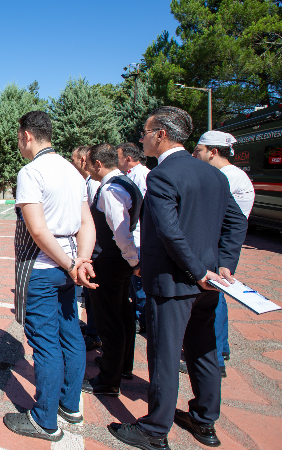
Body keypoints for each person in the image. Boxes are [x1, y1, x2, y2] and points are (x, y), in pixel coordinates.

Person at [108, 107, 247, 450]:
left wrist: (197, 271)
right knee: (203, 350)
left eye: (145, 132)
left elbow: (170, 232)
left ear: (161, 134)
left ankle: (155, 430)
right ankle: (204, 420)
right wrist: (224, 264)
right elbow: (237, 221)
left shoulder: (162, 175)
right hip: (208, 281)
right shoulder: (214, 174)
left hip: (174, 282)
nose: (141, 139)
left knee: (166, 357)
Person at [4, 111, 97, 442]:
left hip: (43, 267)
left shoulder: (32, 172)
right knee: (70, 335)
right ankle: (69, 404)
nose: (19, 143)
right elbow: (86, 223)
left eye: (19, 137)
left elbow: (39, 231)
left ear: (27, 136)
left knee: (45, 343)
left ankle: (44, 419)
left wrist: (71, 264)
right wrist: (80, 260)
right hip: (68, 265)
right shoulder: (73, 172)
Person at [191, 130, 255, 376]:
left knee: (212, 299)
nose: (194, 155)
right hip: (219, 244)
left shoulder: (225, 176)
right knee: (216, 297)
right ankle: (220, 349)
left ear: (213, 152)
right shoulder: (231, 175)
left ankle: (214, 358)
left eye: (198, 151)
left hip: (217, 246)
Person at [81, 143, 143, 396]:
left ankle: (108, 379)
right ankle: (122, 365)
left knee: (109, 321)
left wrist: (133, 261)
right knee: (123, 314)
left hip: (109, 261)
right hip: (120, 261)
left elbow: (121, 233)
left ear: (98, 164)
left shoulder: (111, 190)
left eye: (88, 163)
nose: (85, 167)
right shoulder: (126, 183)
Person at [116, 142, 151, 334]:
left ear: (128, 158)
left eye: (118, 157)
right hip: (135, 233)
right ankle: (138, 314)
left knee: (139, 280)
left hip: (138, 235)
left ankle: (141, 318)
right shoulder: (132, 174)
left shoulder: (141, 175)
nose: (116, 161)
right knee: (134, 281)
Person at [70, 145, 102, 351]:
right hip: (90, 247)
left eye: (73, 159)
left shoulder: (92, 184)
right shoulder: (87, 182)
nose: (71, 163)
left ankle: (94, 333)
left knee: (94, 294)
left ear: (83, 160)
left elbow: (90, 219)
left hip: (93, 248)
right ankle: (92, 329)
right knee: (89, 296)